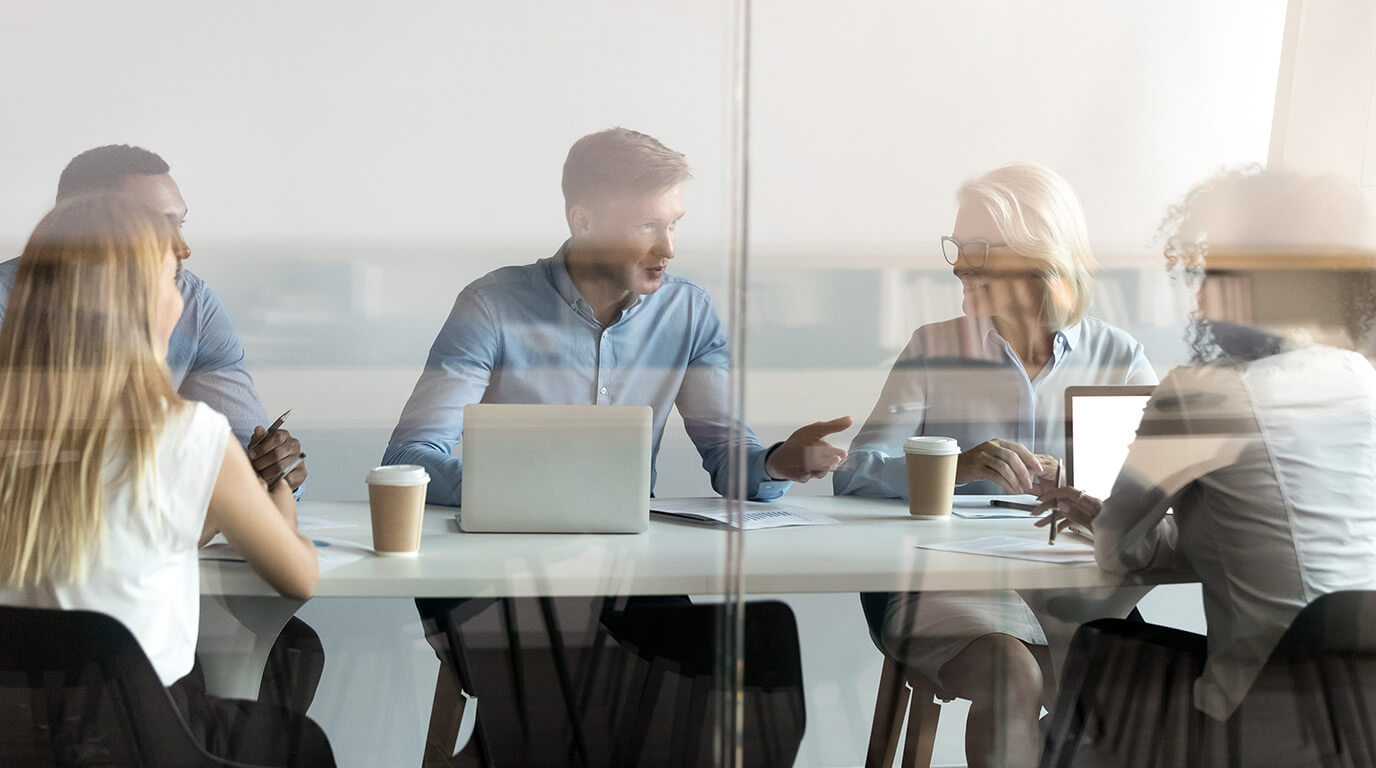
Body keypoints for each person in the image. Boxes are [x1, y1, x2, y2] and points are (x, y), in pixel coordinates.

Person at [385, 127, 850, 764]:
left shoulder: (689, 314)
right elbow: (410, 458)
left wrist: (777, 462)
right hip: (499, 578)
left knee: (762, 638)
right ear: (583, 219)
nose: (667, 249)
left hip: (626, 581)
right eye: (647, 226)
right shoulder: (494, 305)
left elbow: (729, 461)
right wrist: (536, 490)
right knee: (579, 678)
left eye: (675, 225)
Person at [1036, 167, 1376, 765]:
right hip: (1360, 710)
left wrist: (1114, 519)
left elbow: (1118, 550)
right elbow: (1264, 527)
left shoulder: (1203, 394)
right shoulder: (1358, 381)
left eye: (1210, 278)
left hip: (1263, 715)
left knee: (1095, 648)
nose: (1197, 299)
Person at [834, 163, 1156, 768]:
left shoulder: (1120, 356)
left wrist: (1085, 484)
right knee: (1013, 677)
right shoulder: (934, 346)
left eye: (979, 249)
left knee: (1107, 686)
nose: (958, 265)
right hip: (947, 580)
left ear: (1040, 254)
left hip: (1072, 585)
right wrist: (954, 467)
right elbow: (855, 472)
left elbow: (1156, 493)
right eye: (958, 246)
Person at [0, 194, 332, 766]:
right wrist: (272, 486)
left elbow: (121, 533)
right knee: (297, 742)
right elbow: (298, 576)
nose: (183, 296)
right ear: (142, 304)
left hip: (20, 743)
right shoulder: (189, 436)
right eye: (172, 278)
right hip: (145, 742)